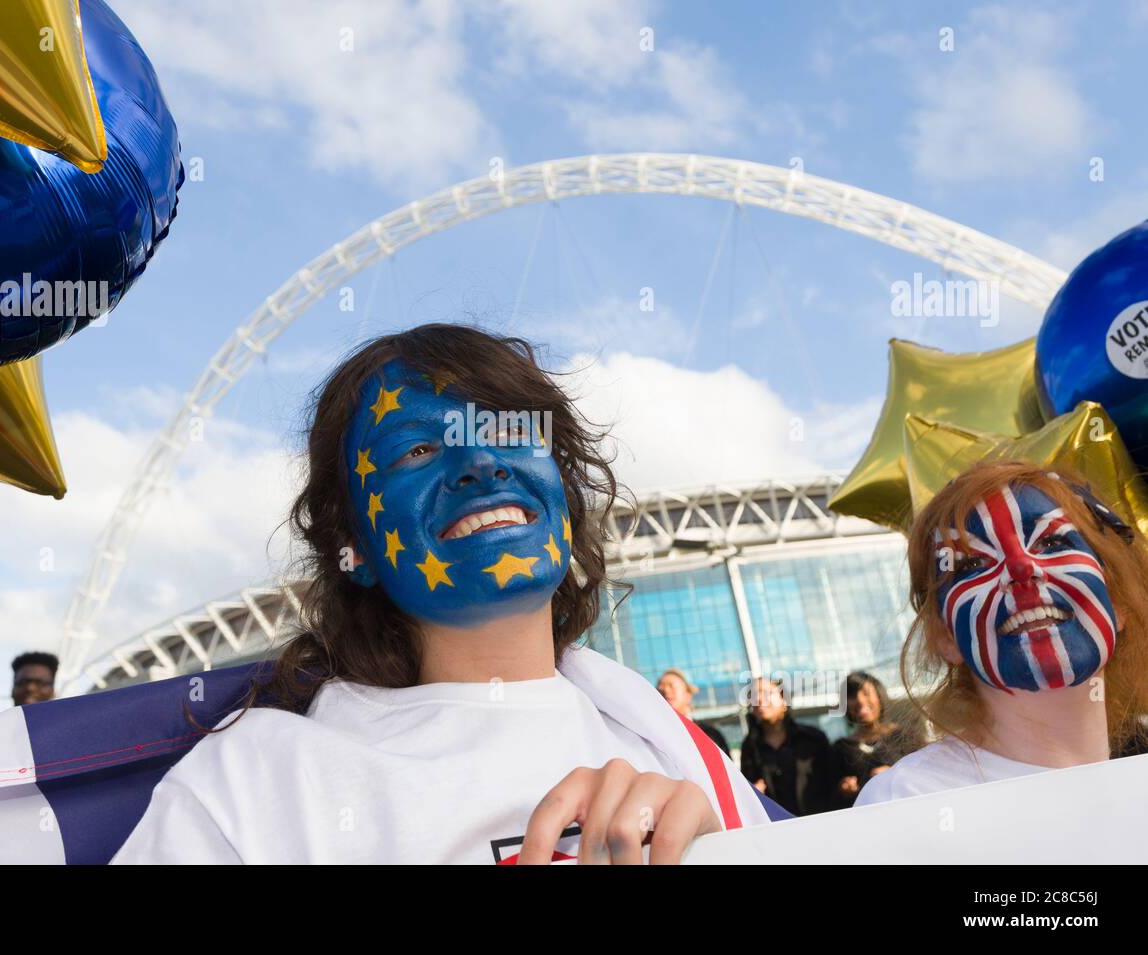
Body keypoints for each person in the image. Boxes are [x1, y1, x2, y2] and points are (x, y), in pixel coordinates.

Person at [113, 323, 768, 864]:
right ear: (357, 548)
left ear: (563, 492)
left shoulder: (683, 762)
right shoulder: (254, 785)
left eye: (510, 429)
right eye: (420, 448)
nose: (481, 461)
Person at [857, 461, 1148, 805]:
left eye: (1051, 541)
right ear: (945, 637)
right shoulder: (909, 801)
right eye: (971, 564)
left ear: (1117, 602)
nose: (1021, 569)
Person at [739, 676, 832, 815]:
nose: (758, 699)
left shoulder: (813, 739)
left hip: (819, 822)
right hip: (775, 827)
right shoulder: (750, 747)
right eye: (753, 696)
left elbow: (832, 782)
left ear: (784, 699)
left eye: (766, 693)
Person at [831, 671, 911, 808]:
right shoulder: (840, 748)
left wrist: (894, 774)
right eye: (851, 696)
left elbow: (924, 776)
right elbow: (828, 798)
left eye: (866, 693)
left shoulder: (906, 737)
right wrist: (844, 789)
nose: (860, 701)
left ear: (879, 696)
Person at [657, 667, 730, 756]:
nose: (666, 691)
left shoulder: (709, 734)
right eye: (660, 689)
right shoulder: (655, 736)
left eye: (671, 686)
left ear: (688, 694)